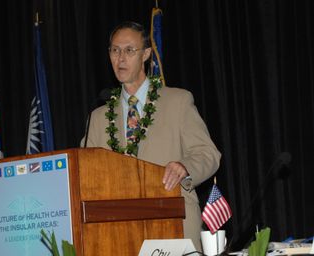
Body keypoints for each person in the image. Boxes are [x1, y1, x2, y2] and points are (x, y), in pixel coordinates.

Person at [82, 21, 221, 251]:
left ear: (146, 54)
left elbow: (208, 154)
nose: (120, 58)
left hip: (173, 222)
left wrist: (185, 167)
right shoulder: (98, 118)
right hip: (117, 231)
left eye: (129, 50)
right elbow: (88, 174)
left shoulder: (178, 101)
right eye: (115, 50)